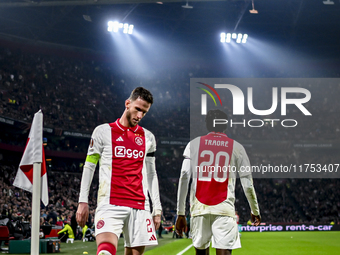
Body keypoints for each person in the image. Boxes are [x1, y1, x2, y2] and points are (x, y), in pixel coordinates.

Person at [76, 87, 162, 255]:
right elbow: (89, 166)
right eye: (137, 109)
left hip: (140, 205)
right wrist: (82, 200)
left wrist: (156, 209)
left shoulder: (149, 138)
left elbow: (152, 174)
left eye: (144, 112)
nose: (139, 116)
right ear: (127, 103)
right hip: (110, 202)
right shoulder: (102, 132)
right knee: (105, 252)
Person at [176, 109, 261, 255]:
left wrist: (181, 213)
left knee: (201, 252)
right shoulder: (237, 147)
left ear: (207, 125)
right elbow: (248, 184)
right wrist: (255, 211)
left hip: (199, 208)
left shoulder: (194, 144)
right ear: (226, 126)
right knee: (224, 252)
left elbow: (184, 176)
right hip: (224, 208)